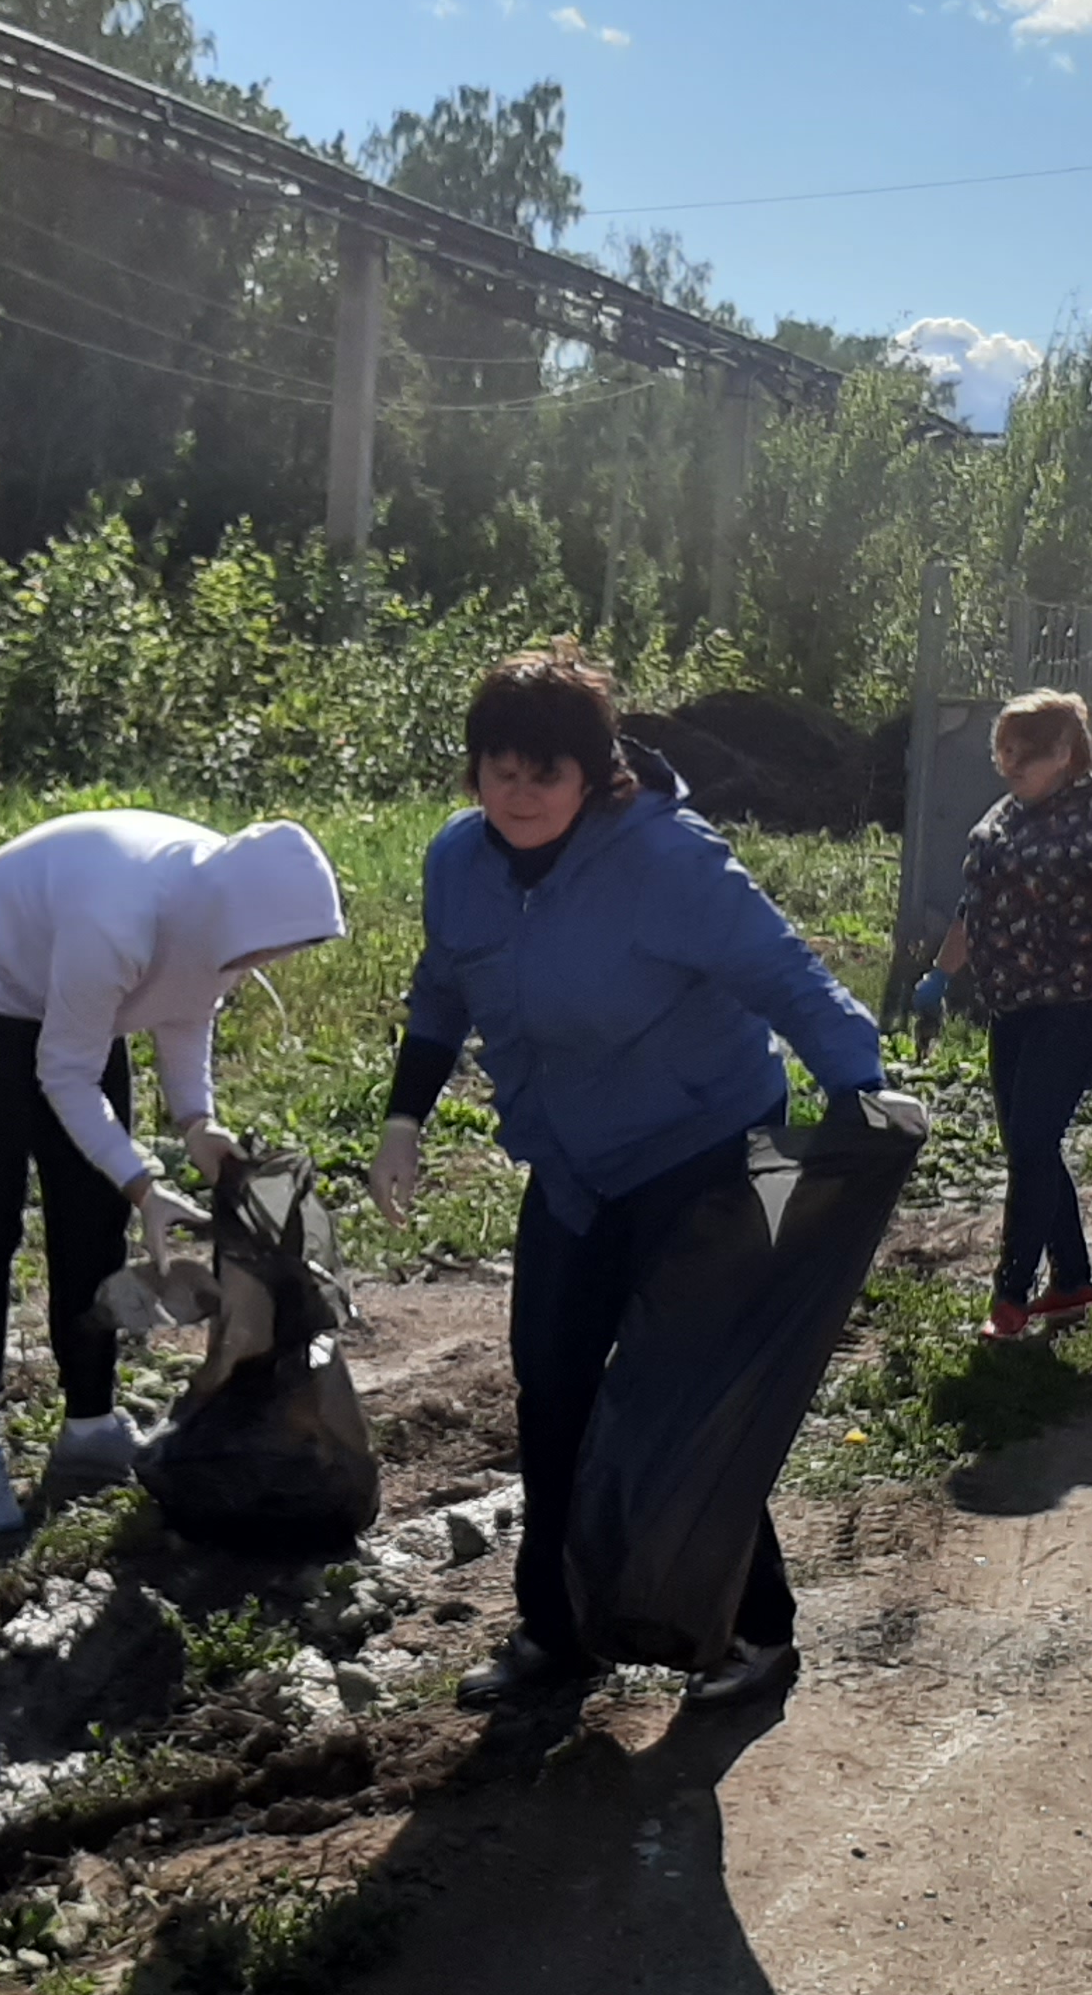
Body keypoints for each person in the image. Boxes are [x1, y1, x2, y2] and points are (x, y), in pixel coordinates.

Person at [372, 643, 895, 1711]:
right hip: (571, 1168)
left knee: (680, 1395)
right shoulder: (457, 864)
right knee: (553, 1388)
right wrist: (401, 1119)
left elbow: (782, 970)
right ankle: (556, 1637)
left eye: (544, 773)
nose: (518, 794)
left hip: (699, 1153)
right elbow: (441, 994)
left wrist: (860, 1082)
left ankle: (757, 1631)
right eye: (498, 770)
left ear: (594, 773)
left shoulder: (668, 861)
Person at [0, 807, 346, 1542]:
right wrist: (144, 1181)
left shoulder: (225, 902)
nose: (265, 965)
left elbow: (189, 1003)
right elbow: (64, 1073)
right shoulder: (117, 922)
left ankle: (90, 1422)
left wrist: (195, 1120)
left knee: (92, 1222)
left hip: (84, 1006)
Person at [908, 690, 1092, 1341]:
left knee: (1031, 1140)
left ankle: (1010, 1299)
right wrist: (939, 974)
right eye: (1004, 749)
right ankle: (1073, 1281)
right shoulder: (1002, 820)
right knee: (1030, 1144)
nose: (1010, 763)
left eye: (1026, 752)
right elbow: (974, 908)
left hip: (1086, 1000)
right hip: (1015, 1006)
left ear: (1066, 755)